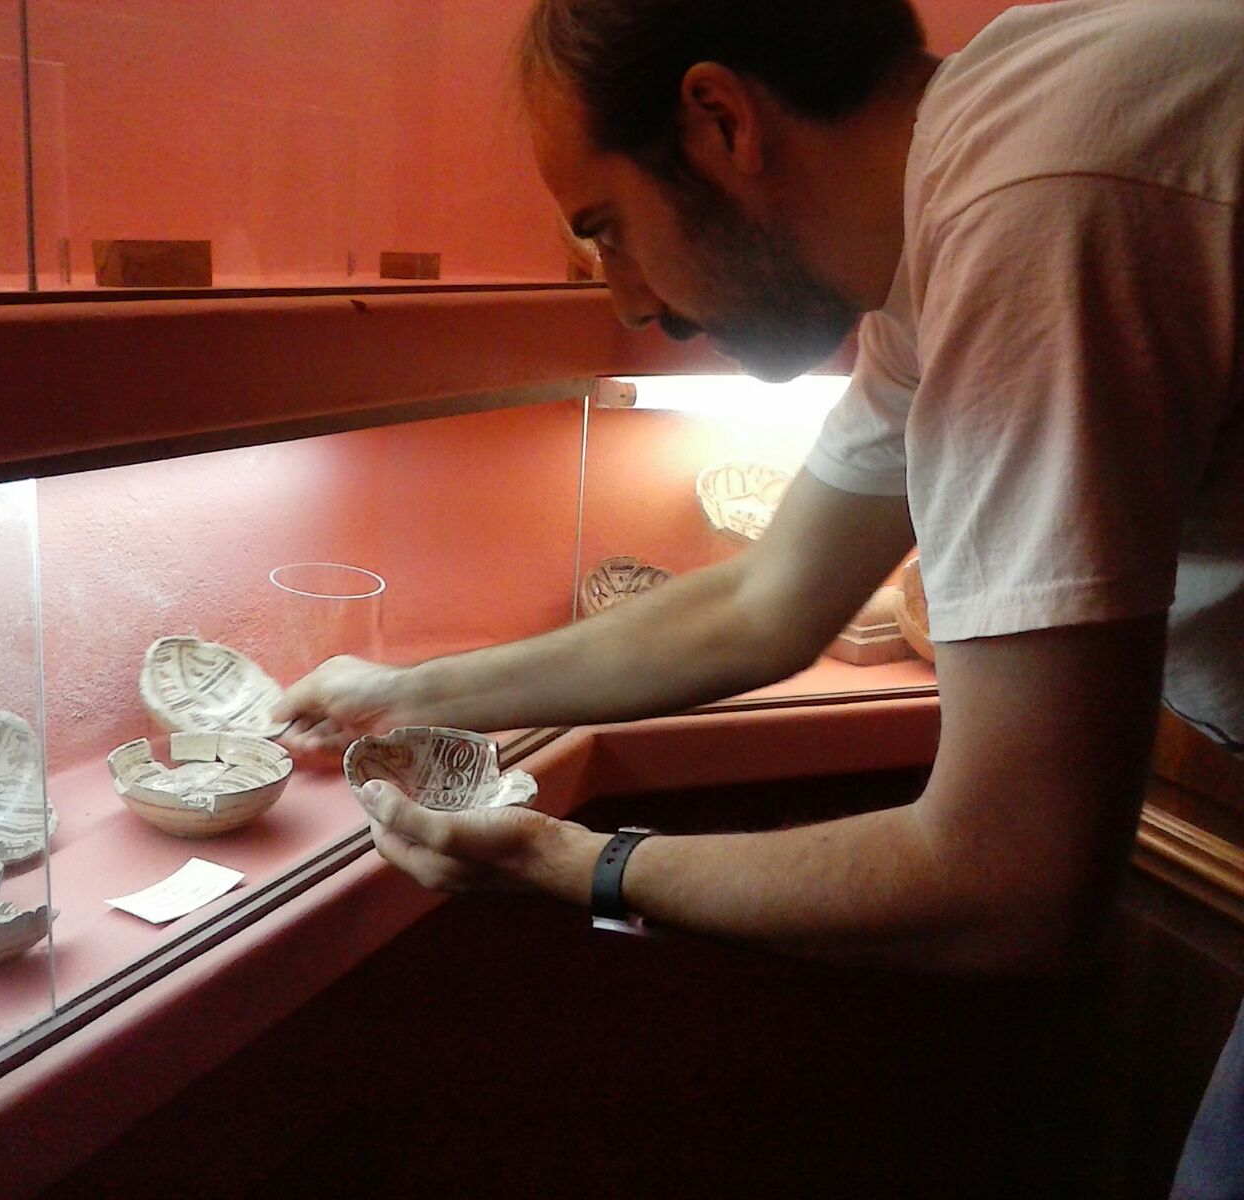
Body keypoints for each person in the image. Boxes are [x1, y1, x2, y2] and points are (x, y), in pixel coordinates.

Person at [272, 1, 1243, 1193]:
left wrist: (570, 864)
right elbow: (764, 600)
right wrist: (408, 694)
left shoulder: (1031, 204)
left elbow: (1013, 880)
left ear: (720, 119)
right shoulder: (974, 178)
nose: (628, 302)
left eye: (608, 229)